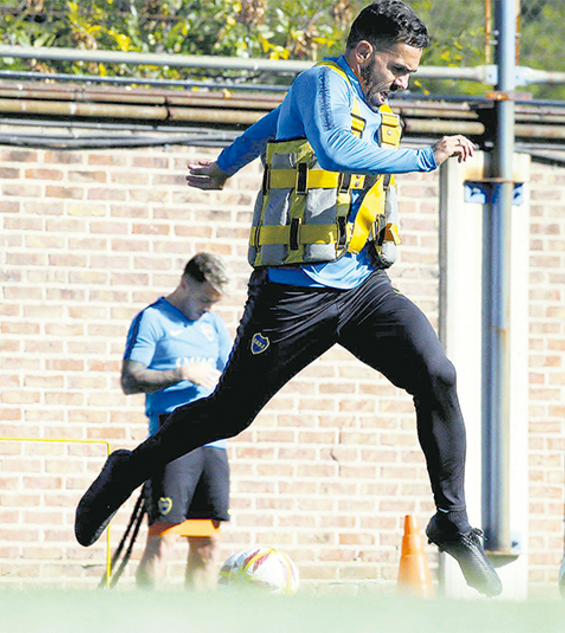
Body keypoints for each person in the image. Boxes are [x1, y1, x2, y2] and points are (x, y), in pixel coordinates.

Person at [77, 0, 501, 596]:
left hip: (363, 288)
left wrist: (226, 165)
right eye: (397, 70)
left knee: (437, 374)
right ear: (363, 54)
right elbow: (333, 152)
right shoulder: (321, 82)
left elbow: (269, 124)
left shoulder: (361, 101)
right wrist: (427, 156)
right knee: (229, 414)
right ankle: (127, 470)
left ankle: (453, 523)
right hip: (293, 296)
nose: (403, 84)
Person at [121, 253, 234, 590]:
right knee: (163, 540)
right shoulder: (153, 319)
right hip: (171, 439)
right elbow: (131, 379)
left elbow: (231, 375)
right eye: (204, 299)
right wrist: (182, 373)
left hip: (212, 442)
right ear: (185, 283)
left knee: (207, 545)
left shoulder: (213, 325)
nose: (208, 308)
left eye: (215, 302)